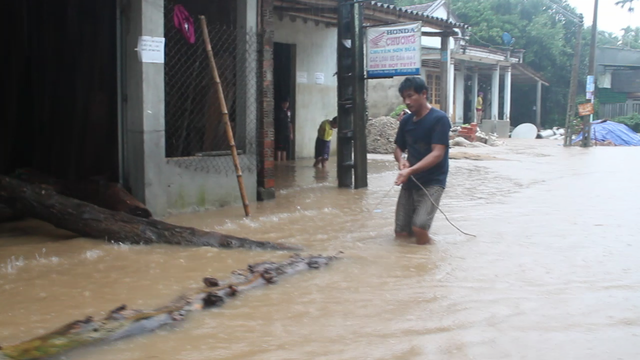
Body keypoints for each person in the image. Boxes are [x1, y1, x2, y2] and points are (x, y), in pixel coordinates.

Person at [393, 76, 451, 245]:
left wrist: (409, 170)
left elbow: (437, 154)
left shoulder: (439, 119)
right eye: (404, 98)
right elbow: (398, 148)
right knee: (401, 233)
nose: (407, 101)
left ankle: (428, 255)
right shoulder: (406, 121)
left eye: (411, 96)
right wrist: (401, 161)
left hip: (433, 181)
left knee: (419, 227)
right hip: (410, 181)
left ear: (423, 94)